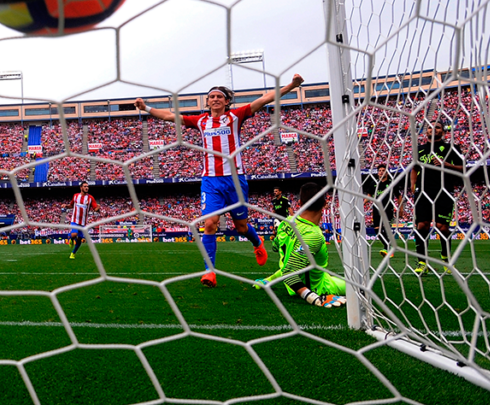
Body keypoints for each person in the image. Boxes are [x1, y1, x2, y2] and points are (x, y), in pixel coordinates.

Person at [135, 74, 304, 287]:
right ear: (207, 102)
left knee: (241, 228)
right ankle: (210, 271)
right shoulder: (200, 121)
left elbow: (265, 99)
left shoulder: (236, 116)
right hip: (211, 182)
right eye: (211, 96)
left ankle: (257, 242)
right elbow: (169, 116)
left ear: (226, 101)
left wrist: (291, 86)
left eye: (219, 96)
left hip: (235, 180)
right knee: (209, 224)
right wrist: (146, 107)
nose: (215, 99)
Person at [255, 182, 346, 307]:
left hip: (292, 285)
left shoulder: (285, 223)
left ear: (300, 204)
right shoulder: (313, 235)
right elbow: (289, 272)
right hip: (314, 287)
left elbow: (275, 247)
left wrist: (269, 279)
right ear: (324, 204)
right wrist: (313, 297)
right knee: (358, 288)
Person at [410, 124, 464, 275]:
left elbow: (463, 167)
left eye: (438, 127)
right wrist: (413, 185)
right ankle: (422, 262)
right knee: (422, 225)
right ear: (426, 131)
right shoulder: (419, 149)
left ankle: (446, 259)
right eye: (429, 127)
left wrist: (446, 165)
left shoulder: (451, 148)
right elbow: (414, 169)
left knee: (442, 227)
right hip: (423, 191)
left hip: (444, 190)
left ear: (443, 131)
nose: (433, 129)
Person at [362, 163, 404, 257]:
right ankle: (388, 246)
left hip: (388, 209)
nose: (381, 172)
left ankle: (387, 248)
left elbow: (399, 196)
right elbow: (369, 196)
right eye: (379, 171)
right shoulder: (374, 183)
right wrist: (362, 205)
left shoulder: (391, 183)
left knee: (385, 228)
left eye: (383, 170)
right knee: (377, 230)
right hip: (376, 209)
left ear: (387, 172)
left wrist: (400, 208)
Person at [67, 181, 99, 260]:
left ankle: (73, 253)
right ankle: (70, 238)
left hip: (83, 223)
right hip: (75, 220)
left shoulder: (90, 198)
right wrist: (66, 206)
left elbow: (95, 209)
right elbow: (71, 205)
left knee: (79, 239)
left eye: (87, 186)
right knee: (74, 234)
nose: (86, 188)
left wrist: (98, 208)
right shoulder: (75, 196)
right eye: (85, 186)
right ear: (81, 188)